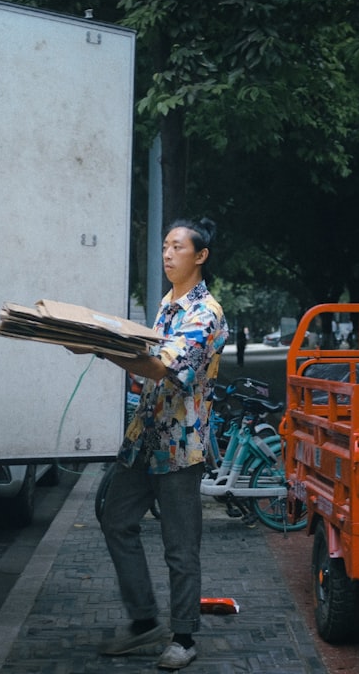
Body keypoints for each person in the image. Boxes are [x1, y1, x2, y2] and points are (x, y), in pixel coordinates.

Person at [69, 217, 228, 670]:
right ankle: (144, 622)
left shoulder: (206, 313)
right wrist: (97, 344)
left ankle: (183, 636)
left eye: (178, 247)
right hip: (145, 438)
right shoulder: (167, 305)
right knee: (115, 517)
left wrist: (99, 346)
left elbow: (162, 369)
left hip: (180, 445)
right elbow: (145, 365)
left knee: (180, 543)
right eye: (165, 246)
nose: (167, 254)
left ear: (200, 257)